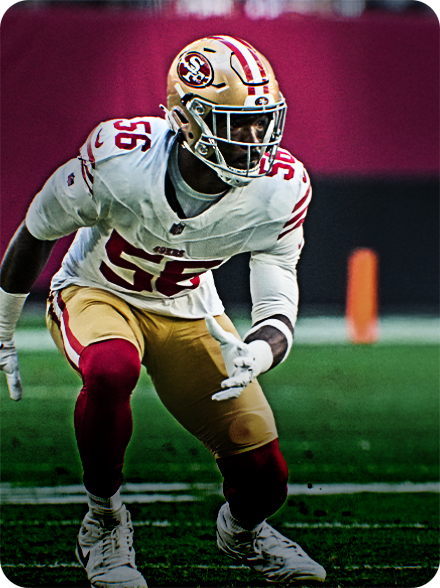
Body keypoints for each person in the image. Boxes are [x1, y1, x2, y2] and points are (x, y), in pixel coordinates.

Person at [0, 35, 326, 587]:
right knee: (111, 368)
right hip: (98, 291)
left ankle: (244, 532)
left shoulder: (280, 189)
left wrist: (261, 350)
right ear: (187, 121)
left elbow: (276, 290)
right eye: (234, 124)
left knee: (265, 479)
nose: (255, 141)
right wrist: (4, 328)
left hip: (188, 309)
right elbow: (37, 229)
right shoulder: (121, 158)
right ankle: (104, 521)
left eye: (262, 122)